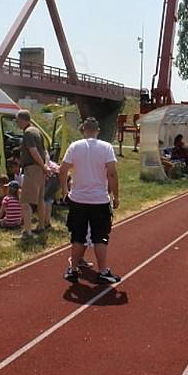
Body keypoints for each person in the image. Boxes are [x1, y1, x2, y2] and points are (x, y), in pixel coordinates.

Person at [59, 117, 120, 284]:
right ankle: (103, 271)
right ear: (97, 130)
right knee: (100, 236)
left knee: (78, 236)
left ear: (83, 130)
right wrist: (116, 196)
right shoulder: (106, 147)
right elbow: (112, 173)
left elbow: (63, 170)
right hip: (99, 199)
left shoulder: (74, 147)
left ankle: (72, 270)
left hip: (78, 199)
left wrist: (65, 190)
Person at [16, 110, 48, 240]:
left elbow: (33, 151)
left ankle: (27, 232)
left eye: (17, 120)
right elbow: (45, 151)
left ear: (23, 120)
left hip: (33, 169)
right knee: (40, 199)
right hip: (39, 170)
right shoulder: (37, 131)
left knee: (25, 201)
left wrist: (42, 166)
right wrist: (45, 166)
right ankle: (41, 226)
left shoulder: (28, 133)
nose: (16, 123)